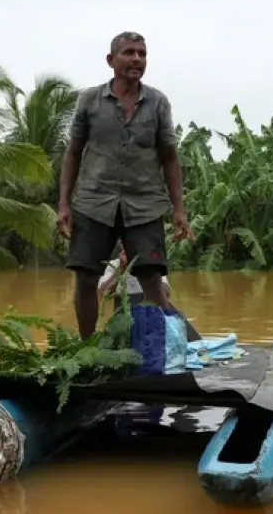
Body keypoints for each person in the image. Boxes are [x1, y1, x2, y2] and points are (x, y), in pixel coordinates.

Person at [57, 31, 195, 339]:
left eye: (142, 54)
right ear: (111, 60)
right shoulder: (90, 100)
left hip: (144, 205)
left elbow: (170, 158)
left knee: (151, 278)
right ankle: (87, 347)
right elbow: (73, 153)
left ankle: (167, 350)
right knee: (85, 278)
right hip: (93, 202)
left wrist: (179, 210)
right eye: (129, 52)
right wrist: (64, 204)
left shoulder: (157, 102)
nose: (137, 59)